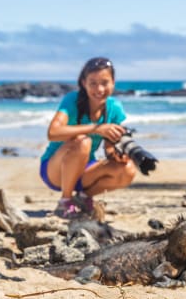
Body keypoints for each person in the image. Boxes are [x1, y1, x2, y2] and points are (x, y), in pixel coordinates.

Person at [39, 57, 137, 219]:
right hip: (55, 170)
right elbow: (53, 132)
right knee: (83, 141)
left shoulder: (114, 108)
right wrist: (96, 128)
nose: (99, 89)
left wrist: (118, 155)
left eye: (104, 83)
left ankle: (83, 198)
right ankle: (65, 201)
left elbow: (109, 148)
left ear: (113, 82)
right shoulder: (72, 100)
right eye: (93, 83)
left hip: (85, 171)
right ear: (84, 83)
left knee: (128, 170)